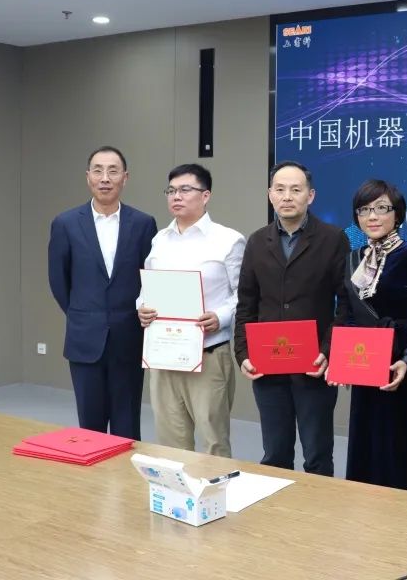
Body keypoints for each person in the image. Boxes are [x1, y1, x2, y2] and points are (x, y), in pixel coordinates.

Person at [233, 161, 350, 476]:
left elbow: (345, 305)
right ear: (270, 195)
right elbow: (246, 303)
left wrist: (328, 350)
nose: (287, 196)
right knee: (275, 454)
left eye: (296, 190)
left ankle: (317, 510)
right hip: (267, 366)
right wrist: (243, 352)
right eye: (280, 189)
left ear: (310, 196)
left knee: (317, 455)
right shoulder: (257, 241)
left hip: (313, 366)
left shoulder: (333, 239)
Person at [333, 179, 407, 493]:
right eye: (364, 210)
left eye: (381, 208)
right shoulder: (354, 258)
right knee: (367, 442)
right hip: (366, 361)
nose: (372, 216)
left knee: (403, 447)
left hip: (402, 364)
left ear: (397, 214)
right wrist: (343, 361)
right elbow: (348, 314)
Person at [47, 146, 157, 439]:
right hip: (84, 338)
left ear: (125, 178)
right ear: (88, 177)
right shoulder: (65, 223)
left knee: (127, 426)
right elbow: (58, 281)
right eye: (98, 170)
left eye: (113, 171)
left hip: (129, 338)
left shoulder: (143, 224)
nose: (105, 178)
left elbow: (149, 279)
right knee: (90, 427)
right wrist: (83, 313)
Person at [137, 163, 245, 456]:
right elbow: (147, 288)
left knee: (213, 442)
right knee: (170, 442)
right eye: (171, 190)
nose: (176, 196)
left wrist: (221, 317)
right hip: (163, 355)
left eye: (185, 189)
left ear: (206, 195)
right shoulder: (159, 239)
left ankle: (214, 489)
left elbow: (243, 295)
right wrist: (141, 307)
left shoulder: (228, 240)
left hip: (207, 353)